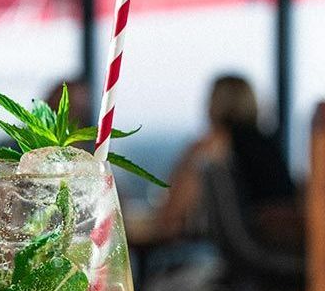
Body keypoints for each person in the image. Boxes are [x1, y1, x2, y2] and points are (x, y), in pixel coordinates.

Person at [127, 74, 303, 252]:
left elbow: (171, 215)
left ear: (215, 104)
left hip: (255, 249)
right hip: (288, 246)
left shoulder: (214, 145)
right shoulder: (267, 144)